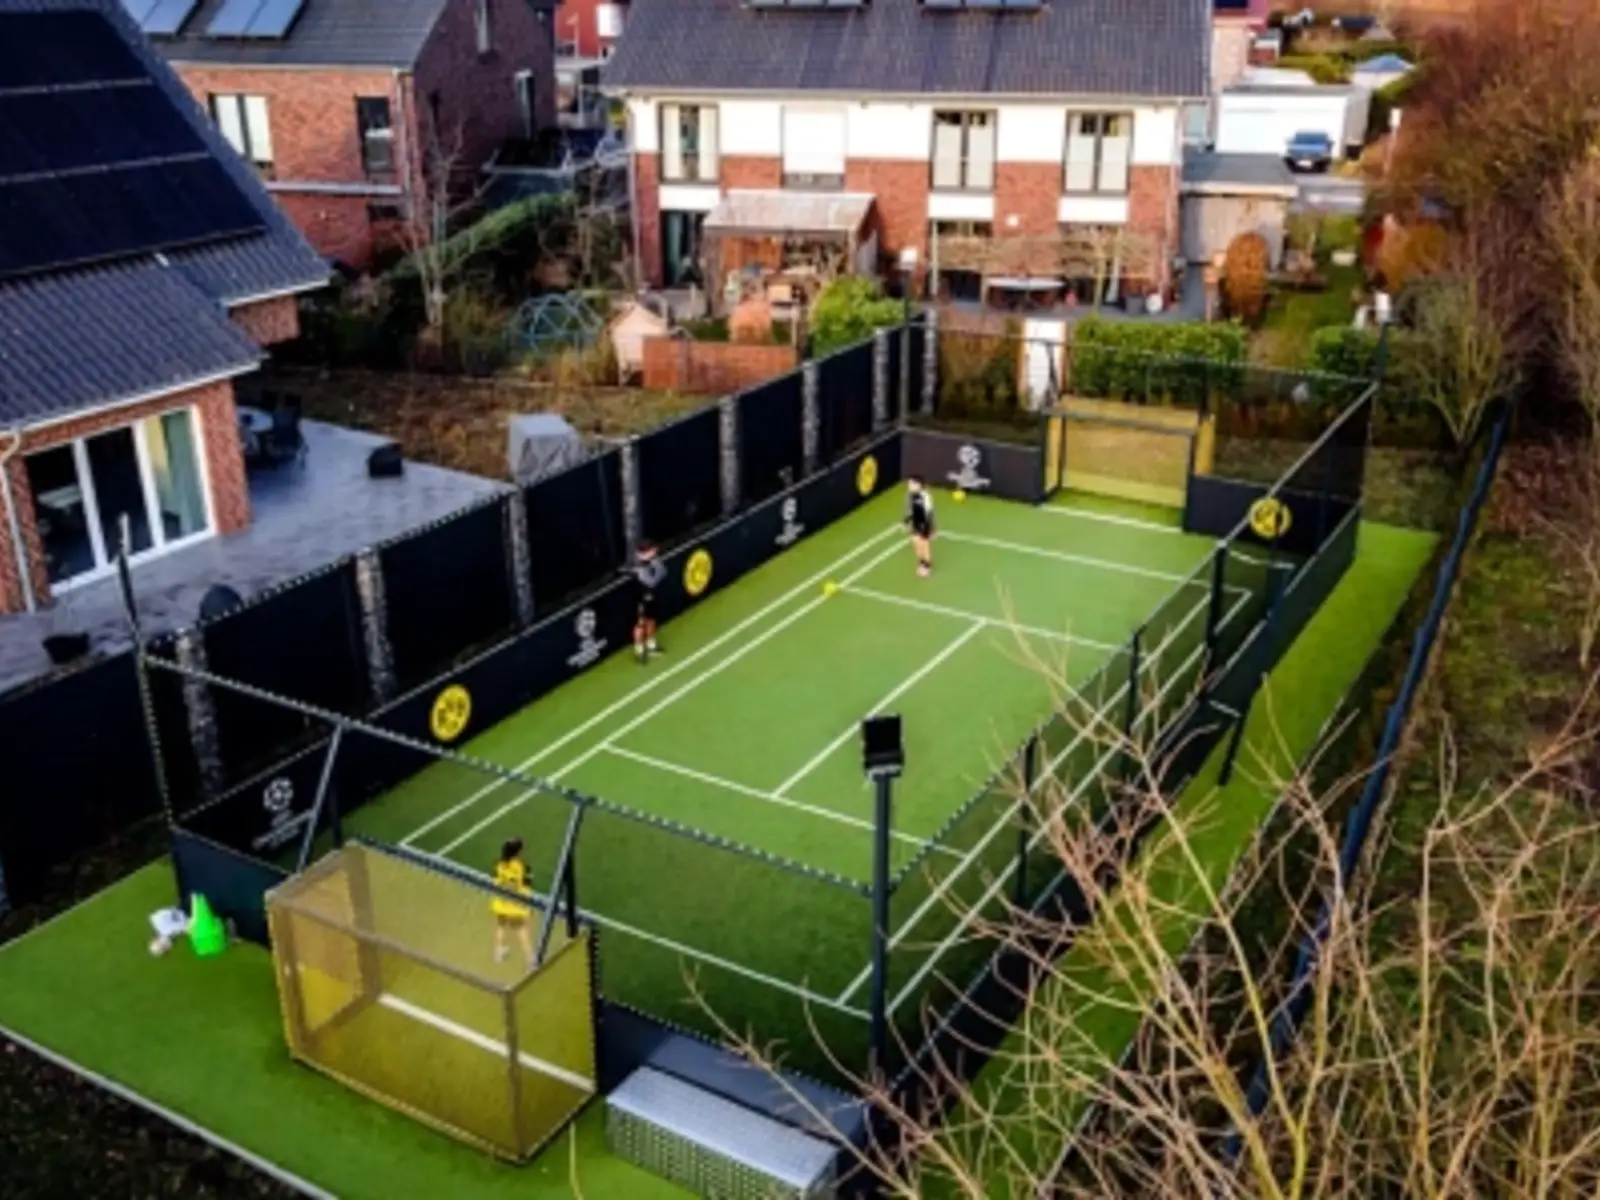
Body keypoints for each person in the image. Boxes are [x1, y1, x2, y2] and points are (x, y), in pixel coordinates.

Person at [491, 838, 535, 968]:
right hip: (515, 903)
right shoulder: (521, 866)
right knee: (521, 929)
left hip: (501, 900)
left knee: (501, 924)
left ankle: (498, 952)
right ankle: (530, 959)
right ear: (518, 851)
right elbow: (526, 884)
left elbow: (496, 880)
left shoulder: (500, 864)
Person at [631, 541, 667, 662]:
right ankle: (639, 650)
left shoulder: (652, 560)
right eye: (650, 551)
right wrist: (656, 565)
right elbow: (651, 582)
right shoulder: (638, 567)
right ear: (641, 553)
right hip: (640, 600)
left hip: (650, 596)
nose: (654, 552)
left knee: (651, 620)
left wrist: (655, 563)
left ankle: (651, 645)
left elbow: (663, 572)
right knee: (640, 624)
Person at [906, 475, 936, 578]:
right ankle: (922, 562)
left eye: (911, 484)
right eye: (909, 484)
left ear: (918, 485)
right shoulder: (911, 495)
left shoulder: (925, 496)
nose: (909, 486)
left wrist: (929, 528)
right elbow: (911, 510)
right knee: (916, 545)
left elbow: (929, 513)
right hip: (915, 524)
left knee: (925, 546)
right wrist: (907, 521)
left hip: (924, 524)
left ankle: (927, 566)